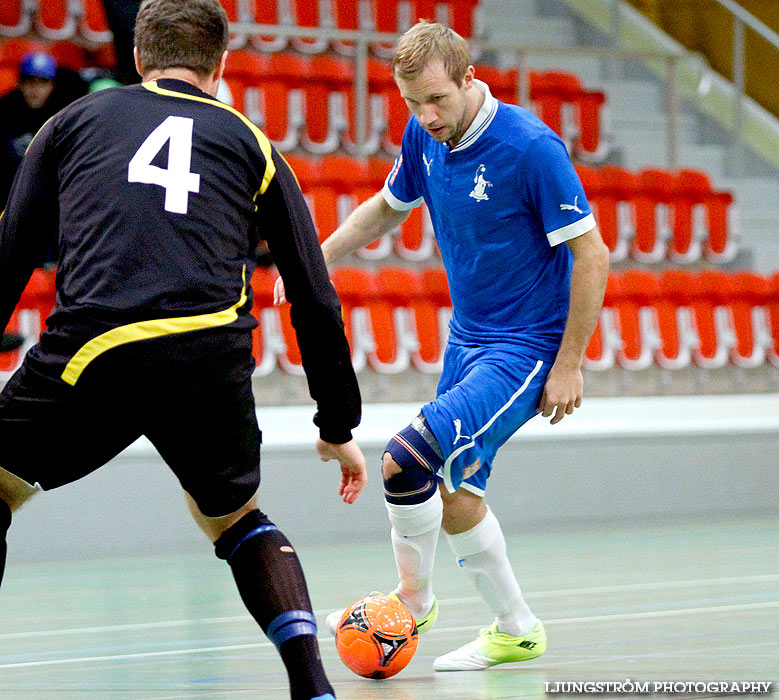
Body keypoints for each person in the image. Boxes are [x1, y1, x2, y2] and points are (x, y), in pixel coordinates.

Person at [0, 2, 367, 699]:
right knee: (233, 517)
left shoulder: (70, 124)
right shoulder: (253, 142)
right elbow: (313, 295)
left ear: (138, 58)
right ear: (220, 66)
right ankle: (312, 685)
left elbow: (9, 255)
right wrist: (337, 425)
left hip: (95, 350)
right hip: (210, 357)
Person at [275, 21, 610, 671]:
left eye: (437, 100)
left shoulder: (530, 148)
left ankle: (413, 600)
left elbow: (591, 254)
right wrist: (313, 263)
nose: (426, 116)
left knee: (404, 461)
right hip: (467, 338)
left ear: (469, 80)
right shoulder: (420, 135)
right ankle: (514, 628)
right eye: (411, 104)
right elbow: (384, 208)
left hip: (525, 346)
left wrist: (568, 363)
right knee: (452, 489)